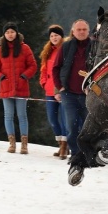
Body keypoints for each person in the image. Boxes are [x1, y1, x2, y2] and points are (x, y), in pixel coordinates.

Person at [0, 22, 38, 154]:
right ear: (4, 35)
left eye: (12, 32)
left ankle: (24, 144)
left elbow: (33, 66)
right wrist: (0, 77)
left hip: (21, 87)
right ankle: (12, 143)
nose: (10, 35)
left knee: (22, 115)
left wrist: (24, 76)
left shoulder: (25, 48)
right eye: (7, 32)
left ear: (16, 33)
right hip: (5, 87)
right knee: (8, 116)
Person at [53, 19, 93, 157]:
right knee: (71, 126)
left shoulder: (95, 47)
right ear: (73, 31)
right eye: (79, 29)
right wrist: (60, 87)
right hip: (69, 94)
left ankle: (87, 154)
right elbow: (55, 68)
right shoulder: (66, 46)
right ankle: (76, 154)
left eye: (84, 29)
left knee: (88, 128)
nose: (81, 32)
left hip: (89, 94)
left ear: (88, 31)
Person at [39, 24, 68, 159]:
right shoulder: (47, 51)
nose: (54, 38)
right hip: (49, 90)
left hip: (62, 90)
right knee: (52, 119)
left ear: (61, 36)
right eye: (51, 36)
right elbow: (43, 70)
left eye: (56, 35)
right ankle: (59, 142)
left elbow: (65, 71)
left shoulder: (65, 50)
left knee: (64, 119)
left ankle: (64, 146)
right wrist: (44, 82)